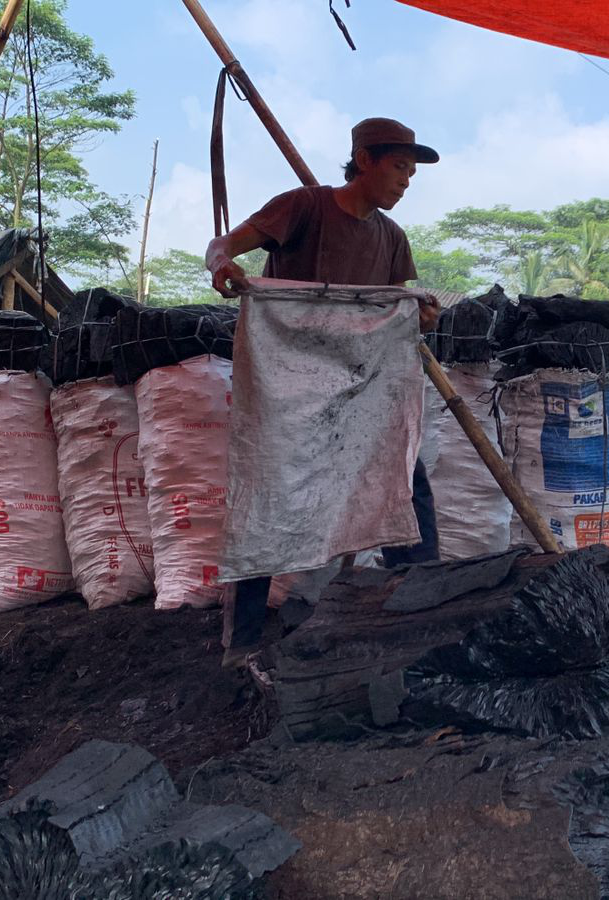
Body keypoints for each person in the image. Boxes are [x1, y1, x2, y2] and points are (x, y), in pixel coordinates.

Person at [205, 117, 442, 664]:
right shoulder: (303, 207)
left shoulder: (392, 239)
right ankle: (242, 640)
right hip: (290, 389)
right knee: (273, 493)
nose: (406, 181)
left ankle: (422, 604)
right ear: (364, 160)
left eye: (412, 173)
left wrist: (420, 320)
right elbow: (224, 243)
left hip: (359, 391)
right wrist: (223, 263)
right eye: (400, 167)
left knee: (404, 480)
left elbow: (387, 316)